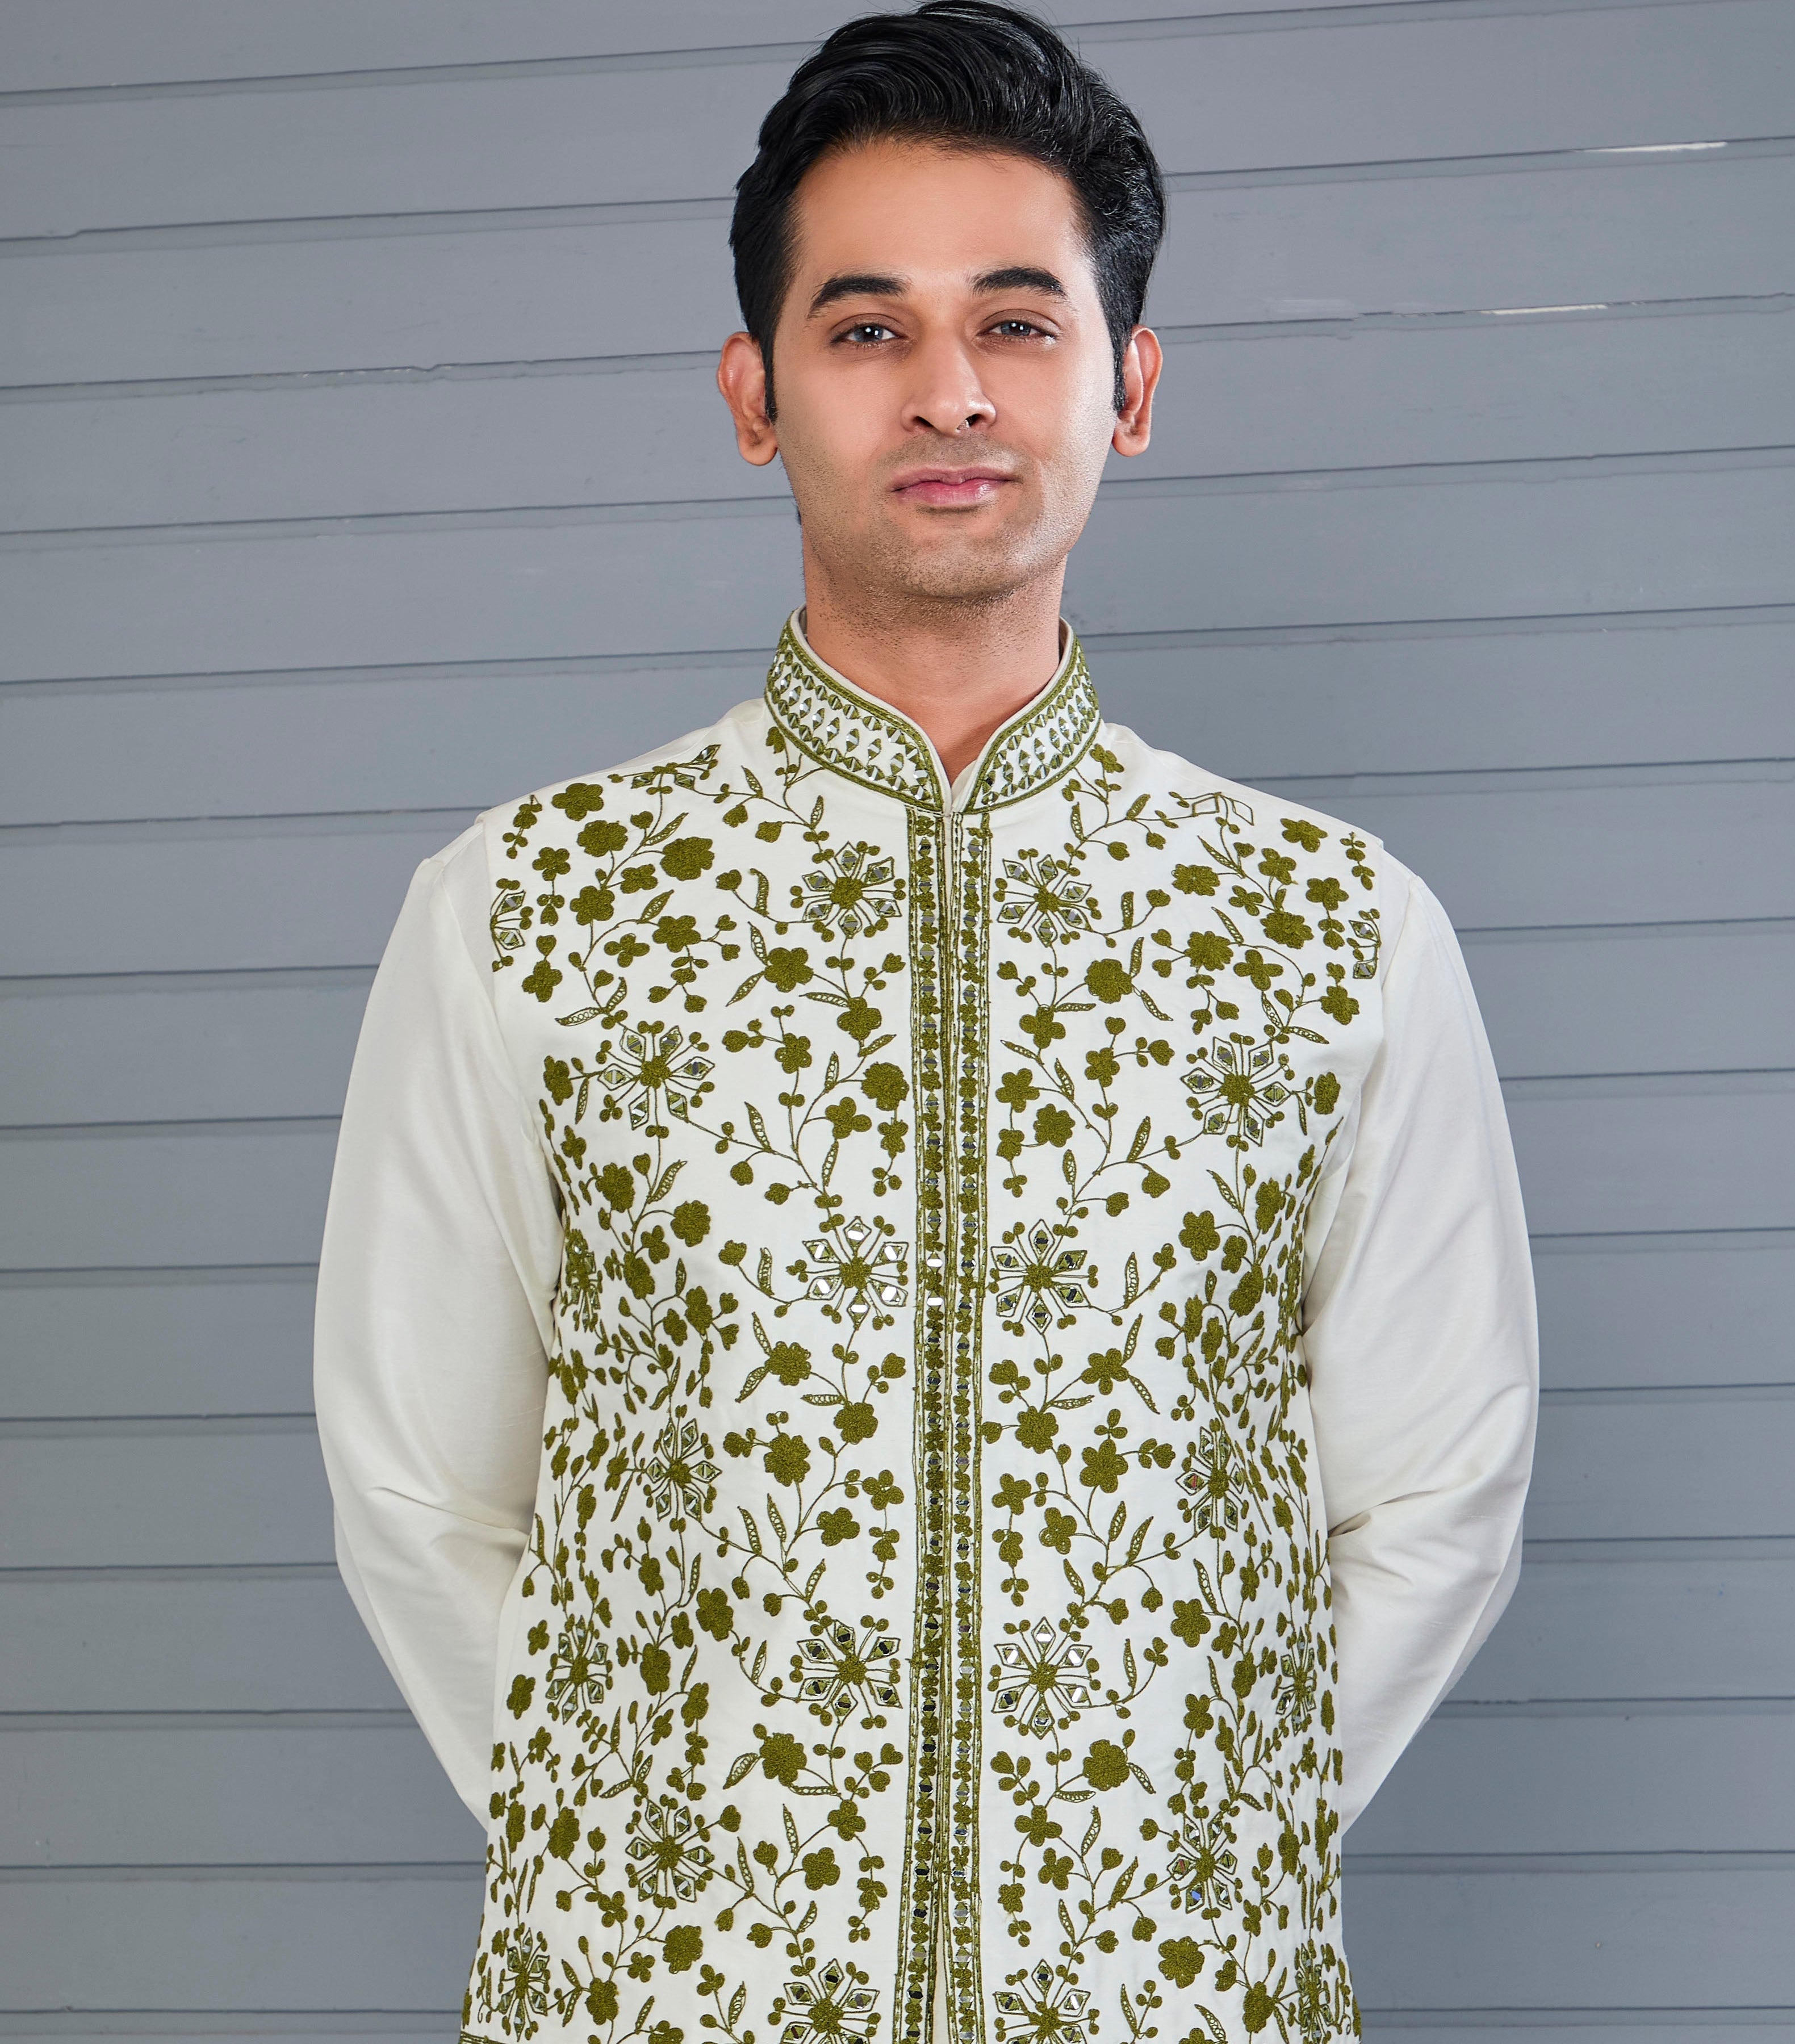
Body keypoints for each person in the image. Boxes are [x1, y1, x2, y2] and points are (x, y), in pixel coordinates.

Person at [312, 7, 1538, 2040]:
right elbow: (422, 1491)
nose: (950, 389)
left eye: (1019, 323)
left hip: (1172, 1989)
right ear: (754, 394)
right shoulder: (530, 911)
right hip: (663, 1992)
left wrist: (1178, 1848)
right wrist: (657, 1859)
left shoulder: (1329, 928)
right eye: (867, 326)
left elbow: (1438, 1489)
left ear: (1131, 386)